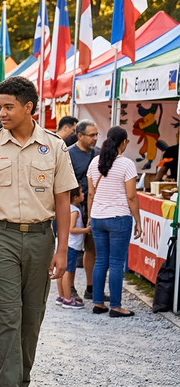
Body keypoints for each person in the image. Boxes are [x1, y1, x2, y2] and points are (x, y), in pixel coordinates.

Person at [0, 76, 77, 387]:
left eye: (8, 106)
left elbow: (63, 200)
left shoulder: (55, 147)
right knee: (6, 316)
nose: (1, 112)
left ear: (29, 107)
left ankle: (22, 382)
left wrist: (62, 249)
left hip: (41, 238)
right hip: (1, 237)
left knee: (32, 316)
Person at [86, 126, 142, 318]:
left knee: (100, 260)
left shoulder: (95, 162)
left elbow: (91, 194)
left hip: (97, 217)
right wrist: (138, 220)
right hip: (119, 217)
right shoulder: (127, 164)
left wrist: (89, 217)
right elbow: (132, 196)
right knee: (116, 263)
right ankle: (116, 306)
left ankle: (98, 303)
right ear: (124, 142)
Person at [68, 119, 100, 301]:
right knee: (71, 248)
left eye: (97, 135)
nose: (95, 138)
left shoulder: (98, 154)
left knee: (91, 249)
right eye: (91, 135)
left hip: (92, 206)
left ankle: (90, 288)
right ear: (79, 136)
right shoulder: (69, 154)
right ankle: (69, 287)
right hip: (73, 207)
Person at [56, 187, 88, 309]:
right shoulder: (75, 211)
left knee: (62, 271)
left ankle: (61, 295)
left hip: (66, 243)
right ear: (75, 197)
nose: (83, 193)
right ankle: (68, 299)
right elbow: (72, 229)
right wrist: (86, 230)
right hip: (72, 245)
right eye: (81, 192)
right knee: (68, 272)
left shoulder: (65, 208)